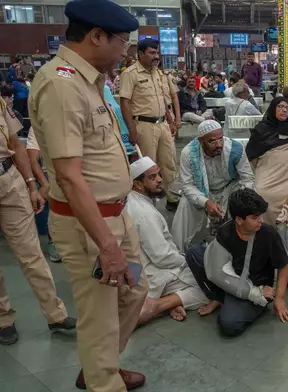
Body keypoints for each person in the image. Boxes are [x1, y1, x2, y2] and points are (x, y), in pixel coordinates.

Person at [28, 0, 148, 389]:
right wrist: (106, 244)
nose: (125, 51)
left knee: (135, 290)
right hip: (90, 226)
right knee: (100, 314)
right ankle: (104, 381)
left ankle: (102, 367)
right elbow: (69, 175)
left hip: (117, 216)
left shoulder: (90, 81)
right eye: (122, 42)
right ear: (97, 36)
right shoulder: (61, 86)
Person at [0, 96, 75, 347]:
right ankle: (3, 319)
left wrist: (31, 185)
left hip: (9, 179)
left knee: (31, 253)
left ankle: (56, 315)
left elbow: (16, 145)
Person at [184, 188, 288, 335]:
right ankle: (220, 298)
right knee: (194, 253)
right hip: (231, 277)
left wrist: (279, 298)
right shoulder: (225, 232)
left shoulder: (268, 234)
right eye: (254, 217)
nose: (261, 220)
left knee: (229, 324)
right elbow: (216, 269)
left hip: (257, 288)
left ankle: (238, 302)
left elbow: (284, 265)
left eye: (261, 215)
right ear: (239, 220)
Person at [125, 157, 210, 325]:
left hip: (141, 268)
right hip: (150, 272)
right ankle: (158, 305)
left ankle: (171, 299)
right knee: (209, 286)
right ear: (137, 184)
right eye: (152, 177)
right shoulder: (144, 213)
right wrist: (187, 261)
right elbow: (162, 257)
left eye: (158, 175)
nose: (159, 180)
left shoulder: (133, 201)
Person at [171, 120, 255, 252]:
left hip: (230, 188)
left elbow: (248, 178)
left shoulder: (235, 149)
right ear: (201, 141)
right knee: (185, 203)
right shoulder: (188, 153)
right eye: (212, 141)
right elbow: (187, 185)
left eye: (220, 139)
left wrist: (241, 200)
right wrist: (206, 202)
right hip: (202, 191)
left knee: (247, 200)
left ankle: (243, 247)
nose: (219, 145)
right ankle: (178, 251)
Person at [120, 38, 181, 212]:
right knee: (149, 167)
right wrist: (131, 129)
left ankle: (172, 197)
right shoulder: (130, 74)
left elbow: (164, 99)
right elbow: (125, 103)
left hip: (162, 125)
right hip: (144, 126)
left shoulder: (159, 73)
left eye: (157, 52)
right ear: (140, 53)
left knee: (169, 163)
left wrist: (171, 120)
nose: (156, 56)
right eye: (152, 53)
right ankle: (148, 204)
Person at [246, 98, 288, 225]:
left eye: (287, 108)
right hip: (267, 176)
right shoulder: (261, 130)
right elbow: (251, 156)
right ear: (272, 108)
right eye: (280, 106)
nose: (284, 110)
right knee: (262, 194)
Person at [25, 127, 62, 262]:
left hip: (75, 172)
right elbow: (32, 161)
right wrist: (45, 183)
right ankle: (54, 240)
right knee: (50, 186)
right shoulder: (37, 127)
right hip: (51, 173)